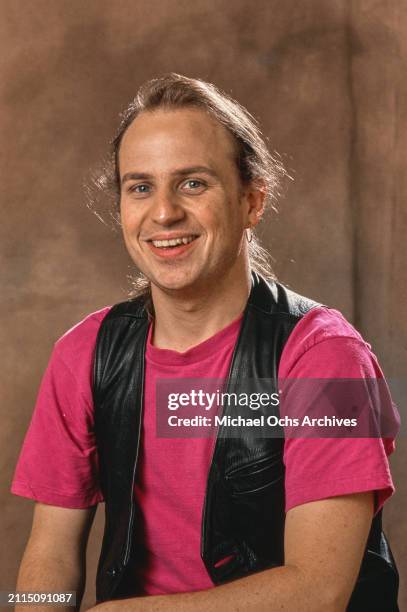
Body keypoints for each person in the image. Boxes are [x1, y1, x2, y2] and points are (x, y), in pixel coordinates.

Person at [12, 73, 399, 611]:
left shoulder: (328, 357)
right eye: (140, 187)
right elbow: (49, 555)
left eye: (193, 183)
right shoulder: (83, 354)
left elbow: (319, 591)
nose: (164, 213)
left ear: (251, 202)